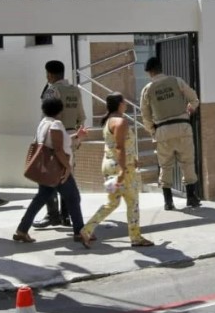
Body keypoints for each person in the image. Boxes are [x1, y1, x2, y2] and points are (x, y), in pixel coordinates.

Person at [79, 93, 153, 247]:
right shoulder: (120, 122)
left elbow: (118, 145)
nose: (126, 104)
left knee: (112, 203)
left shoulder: (108, 121)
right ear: (120, 104)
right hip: (121, 168)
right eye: (124, 101)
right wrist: (123, 170)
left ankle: (86, 229)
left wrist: (133, 158)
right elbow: (119, 147)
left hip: (110, 165)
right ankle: (136, 237)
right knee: (132, 202)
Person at [14, 97, 87, 244]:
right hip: (58, 170)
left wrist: (77, 136)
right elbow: (58, 149)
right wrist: (68, 166)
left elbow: (57, 142)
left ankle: (22, 229)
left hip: (46, 170)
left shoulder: (44, 123)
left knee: (40, 199)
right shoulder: (56, 124)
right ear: (60, 110)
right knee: (73, 197)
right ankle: (80, 232)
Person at [140, 56, 202, 210]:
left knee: (165, 166)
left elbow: (145, 116)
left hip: (163, 130)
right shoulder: (177, 81)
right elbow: (194, 98)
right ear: (161, 68)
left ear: (149, 72)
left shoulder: (147, 89)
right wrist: (191, 108)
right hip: (182, 127)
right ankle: (191, 197)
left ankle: (168, 202)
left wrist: (153, 130)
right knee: (187, 162)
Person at [34, 60, 87, 229]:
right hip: (71, 136)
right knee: (66, 176)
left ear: (49, 74)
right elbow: (81, 116)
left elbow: (46, 117)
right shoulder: (74, 90)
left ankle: (52, 215)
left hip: (54, 137)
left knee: (48, 177)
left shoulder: (52, 90)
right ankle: (66, 216)